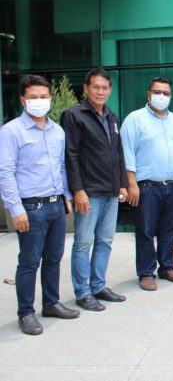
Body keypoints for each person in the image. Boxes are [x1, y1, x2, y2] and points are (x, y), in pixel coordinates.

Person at [0, 75, 79, 335]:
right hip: (30, 208)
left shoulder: (57, 131)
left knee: (53, 258)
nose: (39, 101)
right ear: (23, 100)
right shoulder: (11, 131)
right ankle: (26, 313)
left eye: (43, 97)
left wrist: (66, 196)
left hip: (56, 204)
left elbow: (61, 167)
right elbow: (5, 172)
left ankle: (51, 303)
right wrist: (15, 209)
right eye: (33, 97)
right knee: (29, 262)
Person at [60, 68, 128, 312]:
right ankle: (83, 292)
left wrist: (122, 183)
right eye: (96, 87)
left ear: (110, 90)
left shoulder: (112, 116)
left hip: (111, 190)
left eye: (105, 88)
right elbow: (71, 155)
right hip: (89, 191)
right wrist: (77, 190)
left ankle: (98, 285)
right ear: (86, 89)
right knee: (83, 243)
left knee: (105, 240)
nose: (100, 92)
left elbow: (118, 153)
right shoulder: (74, 115)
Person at [121, 76, 173, 291]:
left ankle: (167, 267)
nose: (161, 96)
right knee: (146, 231)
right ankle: (146, 272)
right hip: (147, 186)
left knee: (170, 229)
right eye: (157, 92)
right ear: (149, 94)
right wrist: (131, 184)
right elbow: (127, 153)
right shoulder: (135, 119)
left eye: (166, 93)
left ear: (171, 96)